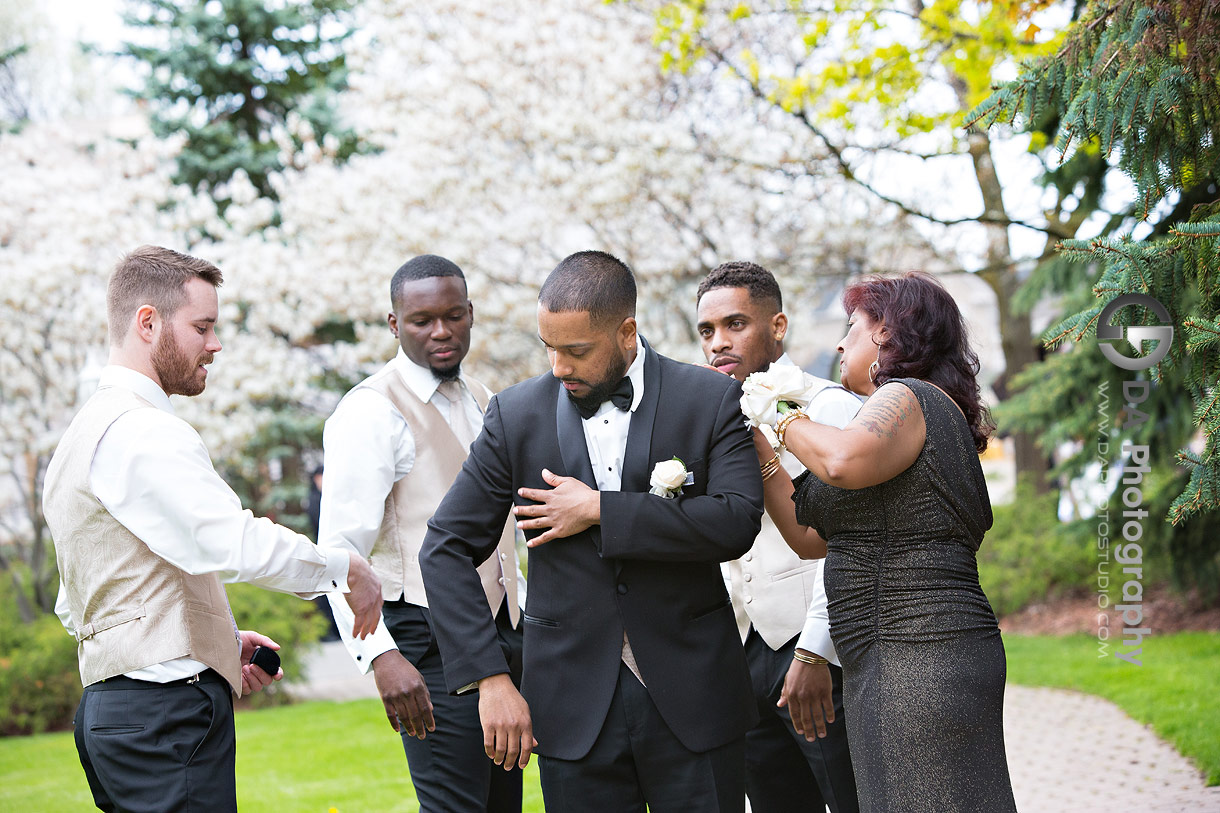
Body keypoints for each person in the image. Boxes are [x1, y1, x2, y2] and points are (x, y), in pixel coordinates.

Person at [419, 250, 763, 813]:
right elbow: (445, 548)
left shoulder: (709, 398)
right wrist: (490, 679)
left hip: (695, 697)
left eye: (575, 350)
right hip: (570, 710)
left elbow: (735, 521)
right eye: (549, 348)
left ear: (627, 331)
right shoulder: (515, 415)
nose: (558, 367)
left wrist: (604, 509)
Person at [43, 245, 383, 813]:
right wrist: (344, 569)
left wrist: (211, 642)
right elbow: (236, 541)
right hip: (164, 721)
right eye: (202, 326)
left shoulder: (80, 438)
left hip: (115, 717)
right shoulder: (141, 431)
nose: (215, 344)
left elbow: (84, 600)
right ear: (147, 323)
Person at [749, 271, 1016, 812]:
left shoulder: (909, 397)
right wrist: (758, 444)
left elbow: (841, 462)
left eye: (853, 326)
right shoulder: (915, 417)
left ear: (890, 334)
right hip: (889, 656)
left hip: (920, 653)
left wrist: (778, 410)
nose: (841, 342)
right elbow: (807, 538)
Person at [319, 255, 525, 812]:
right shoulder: (369, 412)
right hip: (426, 643)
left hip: (500, 634)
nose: (441, 331)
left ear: (471, 313)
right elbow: (339, 552)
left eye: (454, 316)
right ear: (394, 324)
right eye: (421, 320)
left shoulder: (484, 400)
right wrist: (381, 657)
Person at [695, 261, 861, 813]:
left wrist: (815, 651)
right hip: (740, 655)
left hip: (813, 653)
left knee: (851, 799)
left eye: (735, 324)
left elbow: (847, 544)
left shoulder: (825, 405)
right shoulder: (699, 423)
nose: (719, 343)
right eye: (707, 331)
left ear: (779, 326)